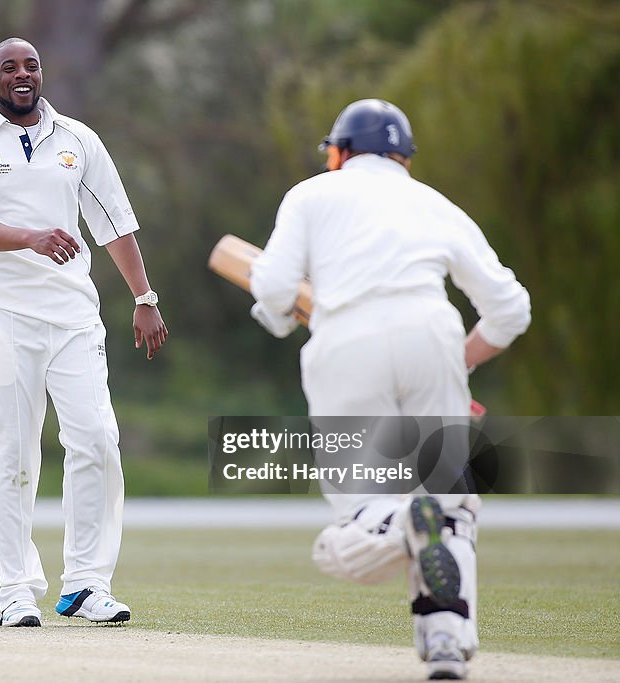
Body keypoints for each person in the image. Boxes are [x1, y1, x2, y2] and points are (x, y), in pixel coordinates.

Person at [249, 99, 531, 679]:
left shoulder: (309, 194)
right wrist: (459, 361)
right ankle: (446, 642)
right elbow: (510, 309)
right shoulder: (434, 204)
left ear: (339, 152)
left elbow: (276, 289)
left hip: (345, 338)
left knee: (361, 511)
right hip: (431, 329)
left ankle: (396, 521)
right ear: (403, 157)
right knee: (450, 503)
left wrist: (275, 314)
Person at [0, 38, 167, 628]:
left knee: (97, 440)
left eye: (31, 66)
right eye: (9, 67)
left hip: (73, 314)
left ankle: (88, 584)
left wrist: (144, 298)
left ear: (43, 75)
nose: (22, 75)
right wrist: (31, 237)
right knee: (14, 453)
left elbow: (113, 221)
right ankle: (16, 588)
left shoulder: (77, 140)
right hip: (0, 309)